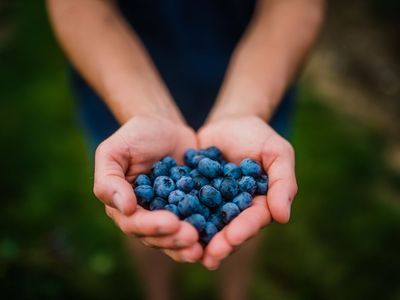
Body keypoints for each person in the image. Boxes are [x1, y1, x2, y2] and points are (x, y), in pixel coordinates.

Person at [47, 0, 325, 299]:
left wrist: (245, 109)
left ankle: (234, 294)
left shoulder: (218, 179)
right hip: (123, 77)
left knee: (247, 221)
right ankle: (159, 293)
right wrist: (145, 110)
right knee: (147, 220)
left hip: (255, 75)